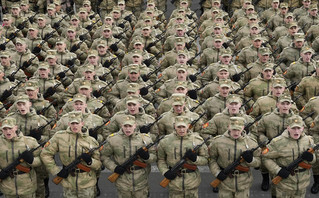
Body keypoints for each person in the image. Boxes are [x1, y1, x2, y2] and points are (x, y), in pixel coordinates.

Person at [41, 112, 102, 198]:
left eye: (77, 123)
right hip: (68, 182)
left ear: (82, 123)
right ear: (69, 123)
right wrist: (56, 171)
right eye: (72, 123)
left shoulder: (91, 140)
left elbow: (99, 165)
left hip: (87, 184)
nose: (74, 126)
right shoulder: (60, 137)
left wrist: (90, 161)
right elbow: (46, 154)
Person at [101, 115, 156, 197]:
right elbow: (104, 157)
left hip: (141, 181)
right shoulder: (113, 139)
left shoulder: (145, 139)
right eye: (125, 126)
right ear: (121, 126)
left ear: (135, 125)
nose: (127, 129)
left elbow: (154, 157)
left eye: (130, 126)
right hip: (123, 181)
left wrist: (147, 157)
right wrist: (114, 167)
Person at [262, 115, 316, 198]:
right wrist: (278, 170)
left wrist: (312, 158)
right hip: (285, 185)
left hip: (302, 184)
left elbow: (314, 160)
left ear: (303, 128)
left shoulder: (309, 140)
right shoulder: (278, 142)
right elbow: (265, 157)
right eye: (293, 128)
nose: (296, 131)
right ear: (288, 128)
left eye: (298, 128)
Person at [208, 117, 261, 198]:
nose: (236, 133)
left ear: (243, 127)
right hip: (225, 182)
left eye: (238, 130)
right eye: (233, 129)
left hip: (244, 183)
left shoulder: (251, 143)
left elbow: (259, 162)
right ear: (228, 126)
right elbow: (212, 159)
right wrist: (217, 172)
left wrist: (251, 160)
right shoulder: (218, 142)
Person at [157, 116, 209, 197]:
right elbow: (160, 159)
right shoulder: (165, 141)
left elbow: (206, 159)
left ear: (188, 126)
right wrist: (165, 171)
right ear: (174, 126)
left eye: (183, 127)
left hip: (192, 183)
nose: (181, 129)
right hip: (174, 183)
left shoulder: (197, 140)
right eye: (179, 127)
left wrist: (195, 159)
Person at [0, 117, 42, 198]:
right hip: (7, 186)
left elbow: (41, 160)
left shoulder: (30, 141)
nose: (8, 131)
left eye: (10, 128)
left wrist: (32, 160)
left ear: (16, 127)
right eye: (5, 129)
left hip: (27, 186)